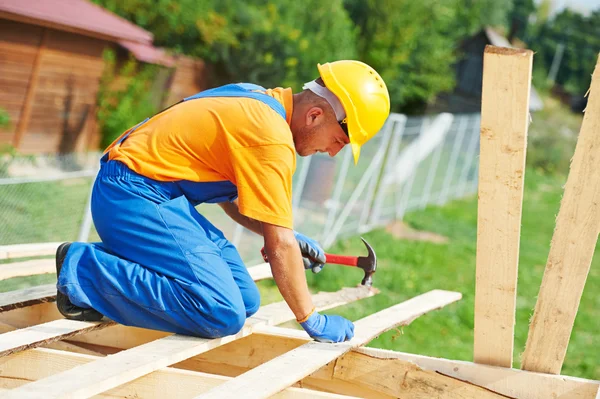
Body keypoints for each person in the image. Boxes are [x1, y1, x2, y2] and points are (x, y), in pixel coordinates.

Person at [55, 60, 390, 343]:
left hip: (155, 195)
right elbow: (279, 246)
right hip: (131, 195)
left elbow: (235, 198)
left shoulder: (256, 97)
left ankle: (116, 263)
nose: (333, 153)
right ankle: (83, 268)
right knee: (220, 312)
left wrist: (283, 235)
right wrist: (311, 318)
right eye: (339, 141)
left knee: (244, 300)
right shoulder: (271, 140)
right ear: (315, 115)